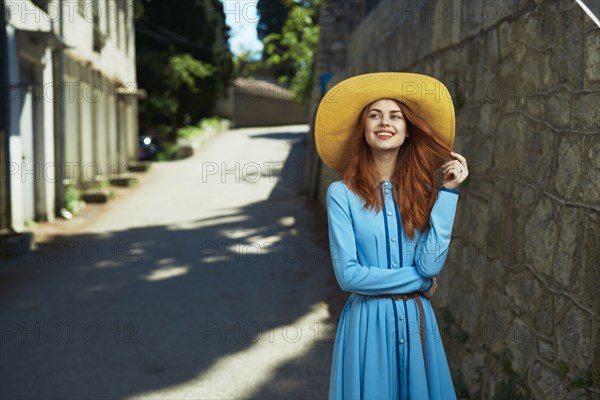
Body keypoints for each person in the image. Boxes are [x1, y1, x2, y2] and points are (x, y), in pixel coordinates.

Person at [314, 72, 469, 399]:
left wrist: (449, 194)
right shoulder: (341, 194)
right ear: (364, 129)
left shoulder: (425, 191)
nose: (385, 122)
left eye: (395, 116)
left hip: (417, 323)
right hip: (368, 326)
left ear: (408, 129)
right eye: (375, 115)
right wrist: (421, 284)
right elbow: (350, 276)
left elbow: (430, 264)